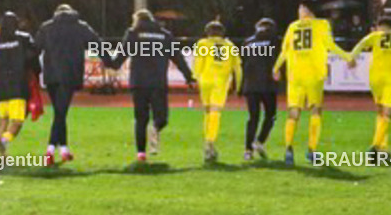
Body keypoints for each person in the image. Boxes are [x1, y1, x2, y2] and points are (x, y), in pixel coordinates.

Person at [272, 0, 353, 166]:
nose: (298, 11)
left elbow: (285, 51)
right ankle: (312, 150)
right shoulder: (322, 25)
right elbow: (330, 45)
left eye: (300, 8)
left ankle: (288, 150)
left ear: (305, 9)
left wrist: (276, 67)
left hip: (295, 75)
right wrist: (347, 57)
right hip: (314, 75)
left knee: (293, 112)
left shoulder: (292, 26)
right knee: (315, 111)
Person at [110, 9, 195, 162]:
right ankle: (155, 128)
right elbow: (178, 58)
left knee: (140, 118)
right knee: (162, 117)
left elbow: (122, 55)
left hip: (138, 82)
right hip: (158, 82)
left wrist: (112, 64)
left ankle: (141, 154)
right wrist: (188, 76)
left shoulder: (133, 33)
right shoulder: (165, 35)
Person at [34, 4, 110, 166]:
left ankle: (64, 150)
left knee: (60, 113)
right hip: (70, 75)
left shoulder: (47, 27)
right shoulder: (80, 27)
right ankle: (49, 151)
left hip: (51, 76)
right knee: (60, 114)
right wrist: (111, 62)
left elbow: (35, 49)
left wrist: (32, 70)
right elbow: (97, 44)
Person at [348, 17, 391, 162]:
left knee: (380, 112)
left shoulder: (375, 36)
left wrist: (351, 58)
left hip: (376, 78)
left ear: (383, 26)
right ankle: (375, 146)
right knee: (388, 113)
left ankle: (383, 148)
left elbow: (360, 44)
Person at [0, 12, 40, 157]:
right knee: (17, 121)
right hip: (17, 85)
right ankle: (4, 140)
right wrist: (36, 73)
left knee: (2, 120)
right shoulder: (24, 38)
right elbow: (33, 58)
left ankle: (1, 157)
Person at [192, 21, 242, 162]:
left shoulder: (203, 44)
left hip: (206, 81)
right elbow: (238, 68)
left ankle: (207, 144)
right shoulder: (230, 45)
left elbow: (198, 63)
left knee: (207, 112)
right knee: (215, 112)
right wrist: (238, 86)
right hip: (220, 82)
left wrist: (196, 79)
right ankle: (210, 142)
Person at [240, 18, 280, 161]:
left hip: (250, 85)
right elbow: (279, 60)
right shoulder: (274, 41)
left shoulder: (247, 42)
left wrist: (241, 86)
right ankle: (260, 141)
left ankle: (247, 150)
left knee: (253, 118)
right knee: (270, 116)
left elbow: (244, 63)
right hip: (268, 85)